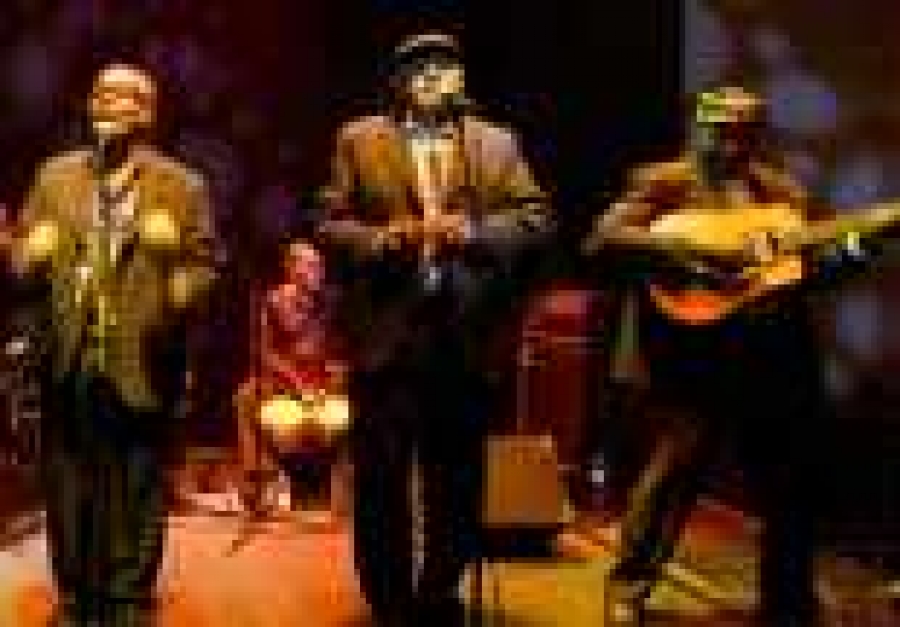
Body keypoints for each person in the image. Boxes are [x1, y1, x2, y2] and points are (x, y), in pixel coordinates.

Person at [318, 32, 551, 625]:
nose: (429, 74)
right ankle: (389, 600)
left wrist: (473, 232)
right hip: (387, 336)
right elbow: (327, 221)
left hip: (465, 336)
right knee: (381, 478)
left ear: (461, 79)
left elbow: (535, 219)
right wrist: (379, 239)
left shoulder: (496, 143)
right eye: (416, 66)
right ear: (398, 81)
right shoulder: (360, 138)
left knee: (458, 478)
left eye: (443, 65)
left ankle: (439, 594)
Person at [585, 85, 833, 627]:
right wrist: (696, 252)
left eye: (743, 135)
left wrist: (842, 257)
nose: (730, 146)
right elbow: (604, 238)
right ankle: (630, 585)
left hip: (766, 352)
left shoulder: (781, 192)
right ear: (698, 129)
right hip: (689, 351)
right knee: (676, 470)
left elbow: (800, 268)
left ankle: (787, 599)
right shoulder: (664, 182)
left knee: (787, 478)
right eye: (719, 133)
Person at [8, 63, 221, 626]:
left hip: (143, 356)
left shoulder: (182, 185)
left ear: (147, 113)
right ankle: (76, 595)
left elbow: (205, 268)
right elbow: (22, 262)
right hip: (69, 353)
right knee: (67, 482)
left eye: (123, 96)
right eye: (100, 94)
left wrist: (175, 277)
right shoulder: (54, 177)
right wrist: (28, 254)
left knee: (138, 481)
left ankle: (129, 598)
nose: (108, 103)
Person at [234, 235, 341, 512]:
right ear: (292, 269)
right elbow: (265, 352)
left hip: (323, 381)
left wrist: (328, 384)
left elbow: (339, 350)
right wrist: (294, 382)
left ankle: (344, 489)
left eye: (320, 266)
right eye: (311, 266)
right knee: (246, 397)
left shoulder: (331, 301)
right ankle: (259, 478)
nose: (318, 272)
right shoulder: (274, 302)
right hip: (285, 380)